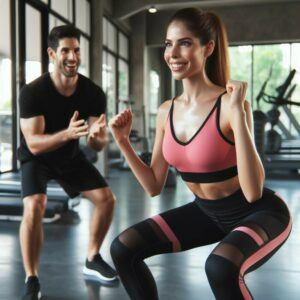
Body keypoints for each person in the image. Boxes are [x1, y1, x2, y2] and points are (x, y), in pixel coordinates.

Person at [108, 7, 292, 300]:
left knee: (220, 267)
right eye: (169, 44)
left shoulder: (230, 105)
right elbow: (154, 185)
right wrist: (123, 142)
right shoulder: (166, 111)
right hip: (207, 212)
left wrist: (238, 114)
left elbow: (254, 191)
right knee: (123, 247)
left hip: (260, 212)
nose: (173, 53)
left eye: (185, 43)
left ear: (207, 48)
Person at [19, 25, 117, 300]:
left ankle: (92, 257)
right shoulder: (33, 92)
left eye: (76, 50)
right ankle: (32, 279)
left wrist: (98, 137)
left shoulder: (93, 93)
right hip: (36, 158)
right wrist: (67, 134)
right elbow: (34, 143)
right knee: (35, 205)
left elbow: (96, 144)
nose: (72, 57)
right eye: (65, 51)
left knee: (107, 199)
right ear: (52, 54)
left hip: (69, 156)